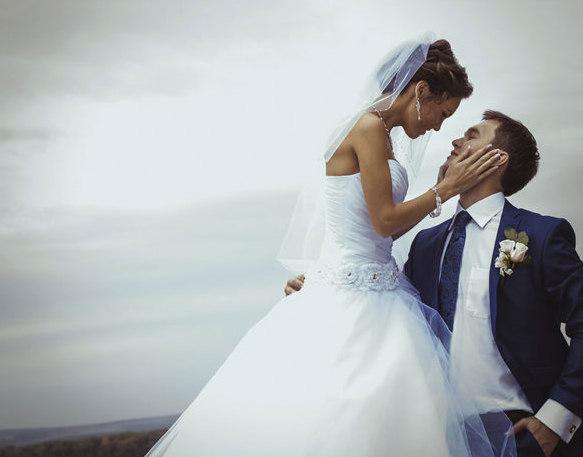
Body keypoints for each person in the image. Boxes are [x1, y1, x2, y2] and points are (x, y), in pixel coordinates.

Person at [145, 37, 515, 456]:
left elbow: (380, 230)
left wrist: (437, 192)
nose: (438, 126)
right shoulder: (367, 127)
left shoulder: (385, 135)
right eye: (442, 113)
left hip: (379, 289)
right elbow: (384, 221)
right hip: (352, 296)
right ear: (421, 92)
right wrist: (444, 190)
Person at [286, 111, 583, 457]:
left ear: (496, 158)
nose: (456, 141)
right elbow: (389, 312)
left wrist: (554, 422)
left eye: (472, 136)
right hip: (443, 437)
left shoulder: (540, 236)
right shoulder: (426, 245)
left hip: (526, 433)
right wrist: (322, 290)